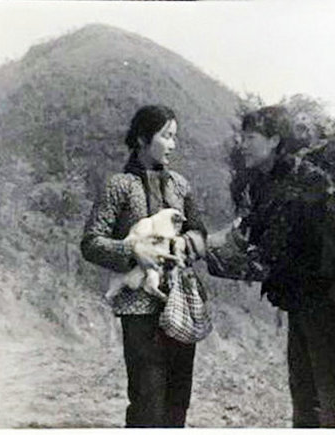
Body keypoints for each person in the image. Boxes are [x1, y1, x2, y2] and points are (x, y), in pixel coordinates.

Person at [227, 105, 335, 428]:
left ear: (274, 140)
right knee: (305, 400)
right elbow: (251, 233)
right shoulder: (265, 183)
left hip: (329, 306)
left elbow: (295, 251)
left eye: (251, 137)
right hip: (300, 304)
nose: (243, 144)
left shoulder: (308, 183)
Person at [80, 105, 208, 427]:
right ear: (142, 138)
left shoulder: (180, 185)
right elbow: (91, 242)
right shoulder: (119, 186)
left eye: (174, 137)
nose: (172, 145)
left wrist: (185, 243)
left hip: (179, 304)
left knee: (178, 401)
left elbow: (199, 233)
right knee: (147, 403)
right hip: (139, 309)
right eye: (166, 136)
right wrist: (133, 250)